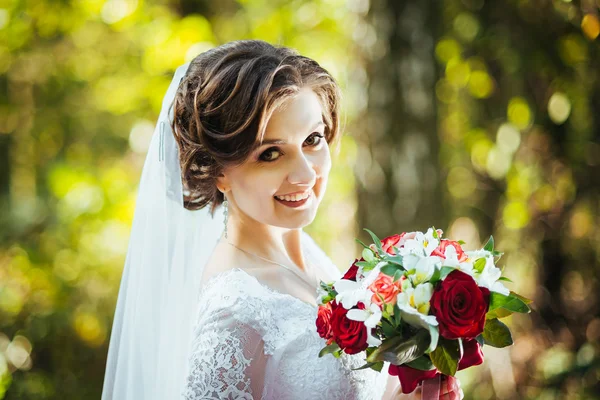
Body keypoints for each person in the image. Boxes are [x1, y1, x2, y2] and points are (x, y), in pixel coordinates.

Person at [101, 39, 463, 400]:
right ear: (218, 172)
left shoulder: (316, 263)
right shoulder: (235, 313)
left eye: (313, 139)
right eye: (271, 153)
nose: (305, 173)